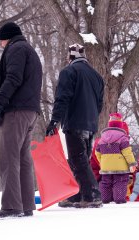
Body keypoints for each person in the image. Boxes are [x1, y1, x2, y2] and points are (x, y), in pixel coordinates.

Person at [0, 22, 42, 218]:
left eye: (0, 42)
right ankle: (26, 204)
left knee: (8, 157)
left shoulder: (16, 49)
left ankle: (11, 206)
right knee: (23, 159)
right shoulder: (30, 51)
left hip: (16, 111)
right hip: (30, 111)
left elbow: (13, 78)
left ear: (5, 39)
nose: (1, 46)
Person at [46, 43, 104, 208]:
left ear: (70, 57)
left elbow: (62, 97)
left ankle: (92, 195)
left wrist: (54, 121)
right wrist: (92, 118)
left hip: (75, 121)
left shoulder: (68, 71)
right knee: (82, 160)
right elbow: (100, 103)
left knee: (77, 160)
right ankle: (79, 194)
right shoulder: (96, 76)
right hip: (91, 123)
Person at [95, 113, 136, 204]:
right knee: (120, 181)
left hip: (106, 166)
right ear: (120, 126)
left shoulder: (102, 138)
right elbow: (127, 152)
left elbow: (97, 152)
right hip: (120, 167)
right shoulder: (123, 137)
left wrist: (102, 162)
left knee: (106, 182)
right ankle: (119, 199)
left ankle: (105, 198)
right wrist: (132, 164)